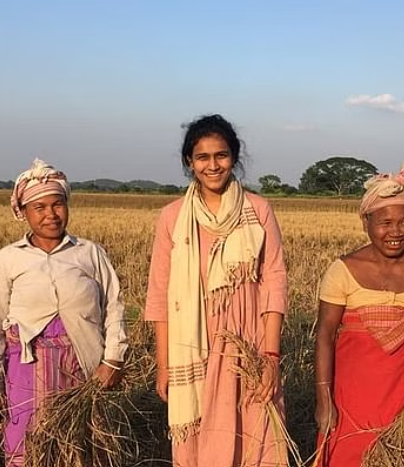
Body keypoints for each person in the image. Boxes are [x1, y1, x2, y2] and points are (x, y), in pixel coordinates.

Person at [144, 114, 288, 467]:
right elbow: (160, 294)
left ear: (234, 159)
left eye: (221, 156)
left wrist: (270, 356)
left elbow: (274, 282)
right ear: (189, 163)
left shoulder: (258, 210)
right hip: (192, 347)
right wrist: (164, 365)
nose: (213, 165)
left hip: (248, 343)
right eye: (203, 157)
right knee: (200, 439)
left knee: (255, 435)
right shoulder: (173, 217)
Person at [313, 160, 404, 466]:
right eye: (385, 222)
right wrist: (324, 400)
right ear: (365, 222)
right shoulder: (342, 271)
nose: (395, 232)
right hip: (347, 408)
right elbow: (324, 336)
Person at [0, 159, 128, 467]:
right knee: (28, 448)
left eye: (58, 204)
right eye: (40, 208)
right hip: (24, 374)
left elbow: (114, 307)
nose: (51, 215)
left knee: (80, 449)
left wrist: (112, 359)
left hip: (81, 369)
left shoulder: (89, 253)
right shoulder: (8, 259)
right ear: (23, 213)